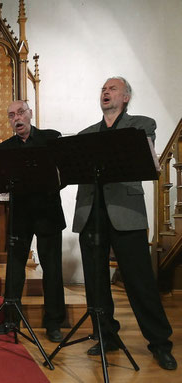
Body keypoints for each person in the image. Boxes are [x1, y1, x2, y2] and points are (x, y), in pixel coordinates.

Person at [73, 77, 177, 370]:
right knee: (95, 283)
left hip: (125, 210)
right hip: (91, 211)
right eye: (103, 89)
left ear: (126, 97)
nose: (106, 92)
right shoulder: (86, 134)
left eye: (113, 88)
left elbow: (143, 158)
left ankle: (159, 343)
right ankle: (106, 335)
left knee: (139, 280)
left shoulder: (141, 124)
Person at [0, 100, 66, 342]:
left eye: (21, 112)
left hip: (47, 213)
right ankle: (11, 319)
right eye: (12, 115)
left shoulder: (51, 139)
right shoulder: (5, 148)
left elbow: (64, 175)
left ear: (30, 113)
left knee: (52, 269)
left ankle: (54, 322)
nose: (17, 118)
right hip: (20, 216)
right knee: (14, 269)